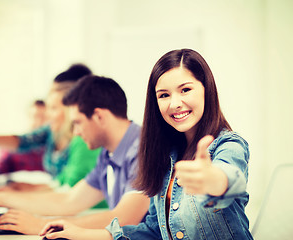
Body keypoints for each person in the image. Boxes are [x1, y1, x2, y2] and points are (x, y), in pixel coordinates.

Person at [39, 49, 253, 240]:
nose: (175, 103)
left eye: (185, 90)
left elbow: (231, 177)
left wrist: (215, 180)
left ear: (207, 89)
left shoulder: (228, 144)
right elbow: (153, 230)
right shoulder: (164, 154)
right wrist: (82, 234)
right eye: (164, 95)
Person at [0, 75, 150, 235]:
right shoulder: (108, 153)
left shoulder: (143, 150)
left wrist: (43, 225)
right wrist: (1, 198)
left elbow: (125, 218)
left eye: (77, 123)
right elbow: (70, 200)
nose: (76, 133)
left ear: (99, 116)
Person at [0, 64, 99, 189]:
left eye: (53, 108)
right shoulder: (53, 131)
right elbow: (60, 184)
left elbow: (68, 191)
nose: (46, 115)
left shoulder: (83, 141)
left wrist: (22, 192)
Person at [0, 99, 47, 179]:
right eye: (35, 117)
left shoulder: (54, 148)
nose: (39, 122)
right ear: (28, 117)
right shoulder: (11, 148)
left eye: (44, 117)